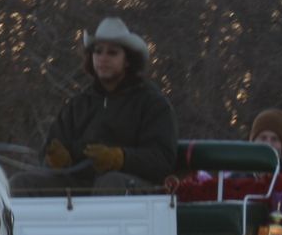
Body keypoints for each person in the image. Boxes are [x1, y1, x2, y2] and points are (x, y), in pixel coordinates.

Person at [12, 17, 177, 193]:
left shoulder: (152, 104)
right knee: (21, 183)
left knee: (110, 183)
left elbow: (162, 160)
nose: (102, 58)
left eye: (112, 53)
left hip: (134, 189)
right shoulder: (78, 105)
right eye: (98, 52)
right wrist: (55, 159)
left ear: (128, 60)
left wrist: (120, 158)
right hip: (80, 186)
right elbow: (50, 149)